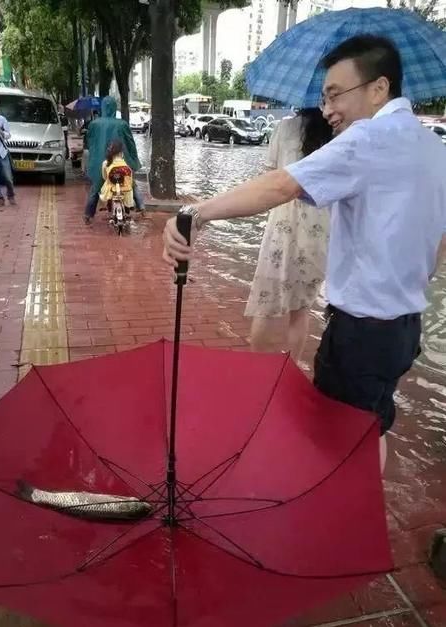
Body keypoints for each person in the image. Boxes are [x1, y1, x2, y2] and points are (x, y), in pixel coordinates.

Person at [162, 35, 446, 471]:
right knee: (371, 427)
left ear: (378, 88)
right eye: (324, 97)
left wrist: (195, 214)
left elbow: (281, 185)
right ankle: (363, 515)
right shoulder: (433, 148)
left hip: (361, 333)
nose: (328, 108)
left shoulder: (369, 138)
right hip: (403, 329)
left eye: (336, 95)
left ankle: (345, 525)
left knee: (337, 441)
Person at [245, 109, 332, 360]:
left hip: (284, 220)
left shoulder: (284, 128)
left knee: (266, 302)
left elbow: (271, 176)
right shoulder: (338, 132)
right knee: (301, 308)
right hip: (321, 223)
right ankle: (290, 369)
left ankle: (257, 369)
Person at [83, 97, 142, 225]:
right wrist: (134, 160)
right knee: (131, 184)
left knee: (95, 189)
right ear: (115, 108)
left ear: (102, 108)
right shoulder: (122, 124)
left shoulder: (94, 124)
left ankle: (88, 214)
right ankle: (141, 207)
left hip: (99, 164)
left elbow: (89, 144)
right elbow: (130, 143)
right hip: (120, 162)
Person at [99, 140, 135, 213]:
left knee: (107, 185)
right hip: (126, 188)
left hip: (112, 188)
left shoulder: (106, 163)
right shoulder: (125, 163)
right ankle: (128, 210)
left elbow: (104, 177)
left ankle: (109, 208)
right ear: (121, 152)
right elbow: (130, 177)